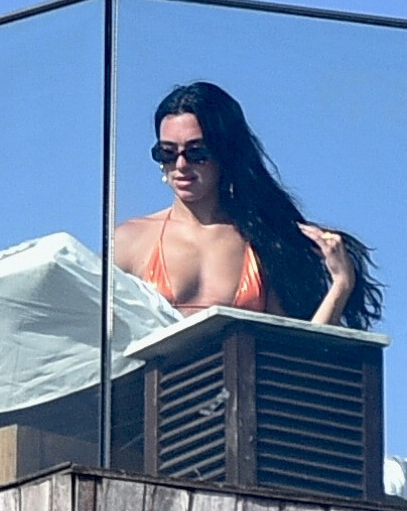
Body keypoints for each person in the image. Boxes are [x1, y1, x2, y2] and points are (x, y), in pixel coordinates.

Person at [115, 81, 382, 327]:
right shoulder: (131, 241)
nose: (181, 165)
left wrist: (341, 285)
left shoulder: (265, 241)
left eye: (197, 152)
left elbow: (299, 349)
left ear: (225, 152)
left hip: (246, 366)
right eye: (167, 153)